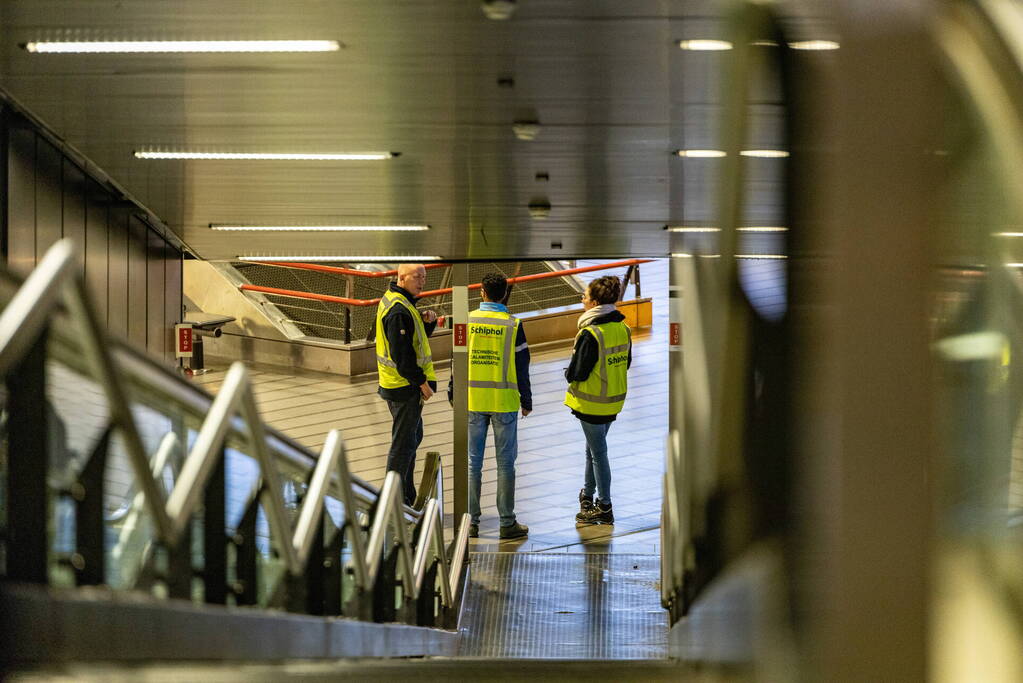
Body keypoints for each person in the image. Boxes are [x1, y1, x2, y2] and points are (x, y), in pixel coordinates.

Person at [466, 273, 532, 540]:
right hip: (504, 401)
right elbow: (522, 366)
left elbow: (456, 357)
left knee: (473, 463)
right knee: (506, 464)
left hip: (473, 400)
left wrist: (452, 390)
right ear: (505, 294)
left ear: (482, 292)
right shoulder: (514, 325)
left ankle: (470, 522)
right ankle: (507, 522)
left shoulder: (467, 320)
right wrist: (526, 400)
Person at [564, 275, 632, 525]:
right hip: (613, 401)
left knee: (598, 453)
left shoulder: (591, 333)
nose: (582, 300)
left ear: (593, 303)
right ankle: (587, 495)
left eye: (584, 297)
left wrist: (567, 374)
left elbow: (577, 372)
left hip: (592, 403)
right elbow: (627, 363)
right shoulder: (623, 328)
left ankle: (604, 506)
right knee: (593, 449)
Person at [375, 263, 438, 506]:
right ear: (401, 277)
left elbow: (414, 341)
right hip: (403, 387)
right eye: (416, 277)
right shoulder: (399, 310)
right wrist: (422, 383)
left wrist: (427, 323)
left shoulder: (399, 301)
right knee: (403, 444)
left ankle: (407, 494)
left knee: (412, 436)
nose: (422, 281)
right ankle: (393, 501)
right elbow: (403, 357)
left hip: (399, 385)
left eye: (424, 276)